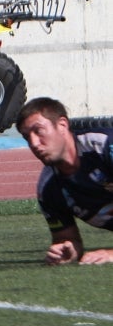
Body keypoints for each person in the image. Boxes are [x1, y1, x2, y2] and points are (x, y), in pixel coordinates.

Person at [16, 97, 113, 266]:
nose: (33, 143)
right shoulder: (48, 189)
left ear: (62, 125)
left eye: (38, 131)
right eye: (27, 137)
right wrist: (67, 251)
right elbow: (66, 239)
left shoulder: (104, 146)